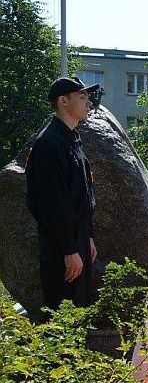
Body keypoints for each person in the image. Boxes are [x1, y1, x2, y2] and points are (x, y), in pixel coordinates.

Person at [26, 76, 100, 312]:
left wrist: (87, 236)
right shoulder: (49, 143)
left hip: (77, 242)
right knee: (65, 318)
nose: (87, 102)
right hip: (62, 249)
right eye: (81, 97)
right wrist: (69, 249)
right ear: (63, 101)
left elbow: (82, 195)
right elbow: (52, 204)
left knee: (80, 312)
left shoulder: (70, 139)